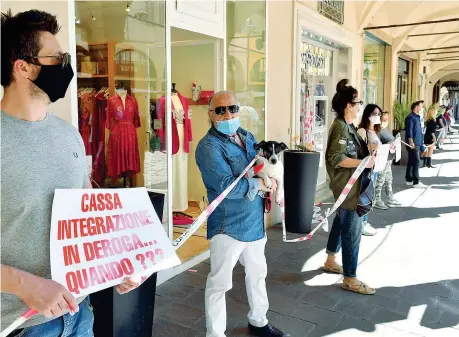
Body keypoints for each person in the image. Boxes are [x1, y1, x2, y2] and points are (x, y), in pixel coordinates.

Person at [1, 9, 140, 336]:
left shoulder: (69, 136)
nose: (67, 67)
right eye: (58, 59)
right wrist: (25, 285)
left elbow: (87, 220)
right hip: (20, 326)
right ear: (23, 67)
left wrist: (116, 265)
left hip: (80, 314)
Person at [195, 91, 287, 337]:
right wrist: (260, 185)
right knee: (220, 283)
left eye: (232, 108)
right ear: (211, 114)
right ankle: (215, 334)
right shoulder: (208, 147)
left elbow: (262, 166)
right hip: (228, 225)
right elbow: (225, 185)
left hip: (255, 222)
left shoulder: (247, 137)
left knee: (258, 274)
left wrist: (273, 185)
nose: (228, 114)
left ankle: (259, 322)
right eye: (221, 110)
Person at [323, 79, 376, 295]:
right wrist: (363, 162)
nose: (360, 106)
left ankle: (330, 259)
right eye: (358, 102)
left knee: (340, 222)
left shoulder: (348, 126)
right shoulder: (340, 128)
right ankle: (350, 278)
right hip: (348, 189)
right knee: (352, 232)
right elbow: (336, 157)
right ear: (349, 105)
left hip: (350, 187)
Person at [356, 104, 382, 235]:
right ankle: (361, 223)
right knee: (364, 195)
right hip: (366, 168)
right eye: (374, 114)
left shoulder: (376, 131)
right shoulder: (362, 130)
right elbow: (361, 148)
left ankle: (365, 221)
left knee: (370, 195)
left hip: (375, 167)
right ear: (367, 115)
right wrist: (375, 146)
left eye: (378, 114)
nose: (377, 116)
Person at [375, 112, 401, 206]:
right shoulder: (377, 131)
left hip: (388, 159)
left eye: (387, 119)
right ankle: (377, 199)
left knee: (388, 179)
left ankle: (390, 198)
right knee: (380, 180)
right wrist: (390, 144)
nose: (386, 121)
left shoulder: (385, 129)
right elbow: (377, 145)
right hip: (382, 159)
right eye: (384, 120)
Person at [404, 100, 427, 188]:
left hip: (417, 141)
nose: (422, 108)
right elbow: (409, 130)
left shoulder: (417, 117)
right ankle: (416, 181)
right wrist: (411, 141)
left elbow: (419, 129)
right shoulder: (410, 117)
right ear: (416, 107)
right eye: (421, 106)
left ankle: (409, 179)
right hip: (413, 143)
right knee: (416, 161)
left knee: (411, 160)